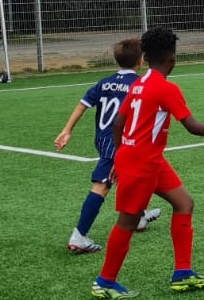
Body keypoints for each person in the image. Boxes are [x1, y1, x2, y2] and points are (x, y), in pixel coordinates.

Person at [91, 27, 204, 299]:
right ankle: (105, 282)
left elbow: (118, 123)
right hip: (142, 162)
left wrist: (119, 155)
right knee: (128, 221)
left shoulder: (138, 84)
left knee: (184, 203)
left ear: (145, 57)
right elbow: (191, 126)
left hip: (144, 158)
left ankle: (183, 273)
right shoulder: (166, 88)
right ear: (172, 58)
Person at [53, 38, 161, 253]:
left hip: (102, 139)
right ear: (141, 60)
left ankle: (139, 216)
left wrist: (67, 130)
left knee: (138, 174)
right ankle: (79, 235)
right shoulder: (138, 84)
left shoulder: (104, 82)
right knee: (102, 186)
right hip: (118, 141)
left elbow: (83, 104)